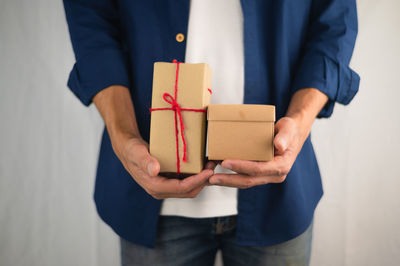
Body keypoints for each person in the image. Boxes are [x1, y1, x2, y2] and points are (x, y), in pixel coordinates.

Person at [63, 0, 359, 265]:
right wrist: (123, 135)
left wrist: (299, 119)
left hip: (278, 198)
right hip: (151, 198)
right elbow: (92, 26)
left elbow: (335, 24)